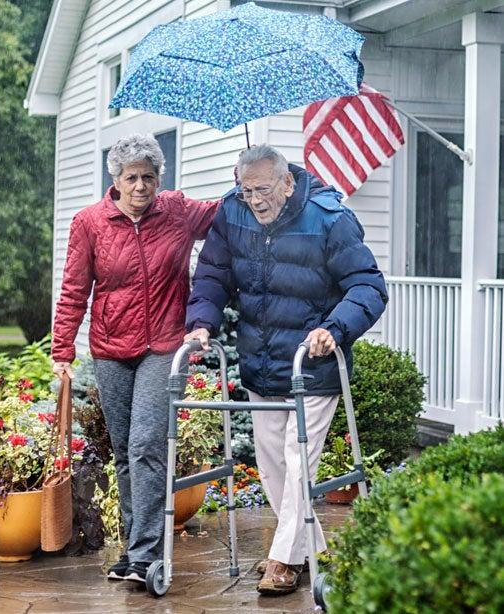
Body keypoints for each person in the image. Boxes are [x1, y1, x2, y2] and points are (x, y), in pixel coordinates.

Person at [184, 144, 387, 595]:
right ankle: (309, 548)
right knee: (272, 463)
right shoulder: (232, 213)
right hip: (260, 362)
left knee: (298, 461)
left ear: (288, 182)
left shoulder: (329, 219)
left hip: (311, 363)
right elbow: (213, 273)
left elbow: (368, 286)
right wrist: (201, 321)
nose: (254, 200)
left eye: (262, 190)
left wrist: (335, 328)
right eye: (246, 190)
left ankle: (285, 560)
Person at [51, 133, 220, 583]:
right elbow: (74, 290)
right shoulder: (90, 222)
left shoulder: (177, 211)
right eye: (132, 178)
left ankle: (146, 554)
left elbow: (224, 215)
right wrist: (62, 349)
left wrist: (252, 177)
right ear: (116, 180)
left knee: (147, 445)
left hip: (164, 346)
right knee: (125, 451)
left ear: (159, 178)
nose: (141, 186)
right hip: (111, 349)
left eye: (149, 177)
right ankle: (133, 549)